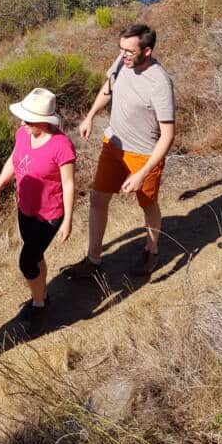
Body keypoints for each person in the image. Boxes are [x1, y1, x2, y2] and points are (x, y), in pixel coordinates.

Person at [64, 23, 175, 279]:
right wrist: (91, 115)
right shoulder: (123, 62)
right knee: (98, 198)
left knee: (148, 205)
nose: (123, 55)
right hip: (113, 145)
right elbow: (108, 87)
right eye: (121, 49)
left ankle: (152, 250)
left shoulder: (159, 83)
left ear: (146, 51)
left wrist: (142, 172)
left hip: (144, 155)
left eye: (129, 51)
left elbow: (168, 136)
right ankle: (93, 259)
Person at [0, 88, 76, 336]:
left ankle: (39, 304)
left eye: (27, 120)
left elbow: (68, 184)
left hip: (49, 215)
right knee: (35, 256)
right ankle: (42, 295)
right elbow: (14, 159)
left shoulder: (61, 146)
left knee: (26, 262)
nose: (22, 123)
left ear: (43, 122)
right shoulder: (23, 134)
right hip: (25, 207)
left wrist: (68, 219)